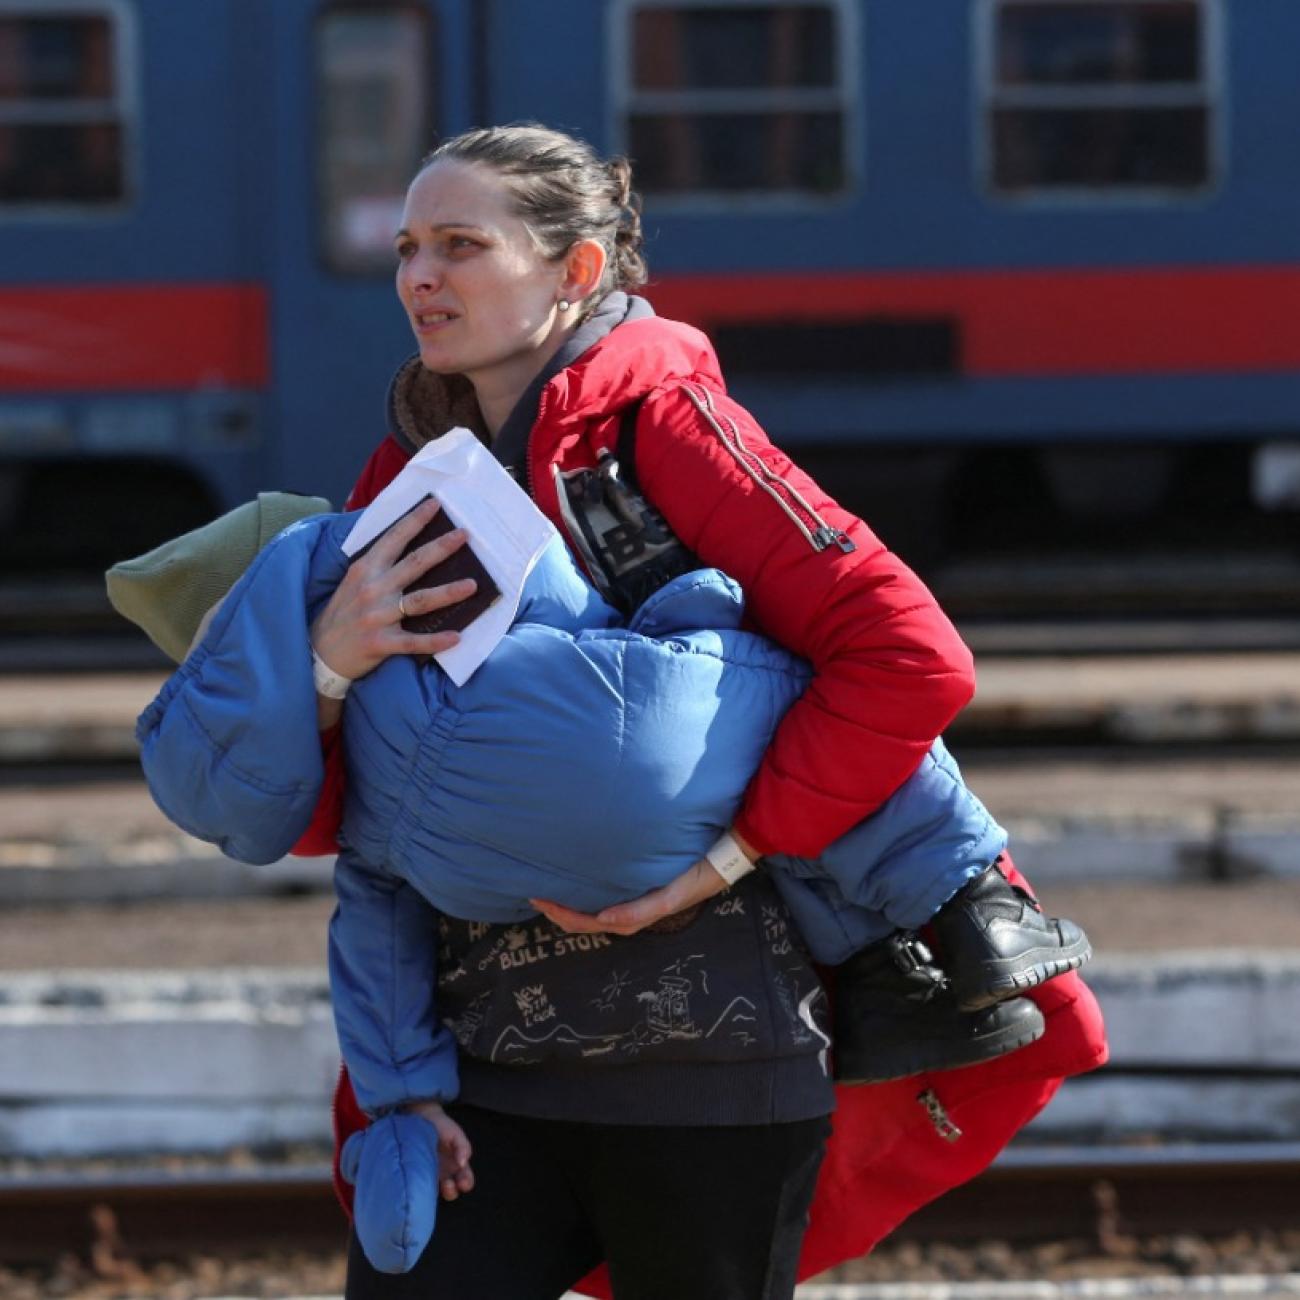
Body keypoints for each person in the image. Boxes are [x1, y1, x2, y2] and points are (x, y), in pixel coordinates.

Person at [131, 123, 1106, 1299]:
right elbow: (368, 804)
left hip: (717, 1065)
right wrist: (327, 667)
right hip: (487, 1070)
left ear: (576, 273)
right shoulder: (409, 472)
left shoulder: (673, 431)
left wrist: (735, 852)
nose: (418, 277)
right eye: (404, 248)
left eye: (459, 244)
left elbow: (908, 657)